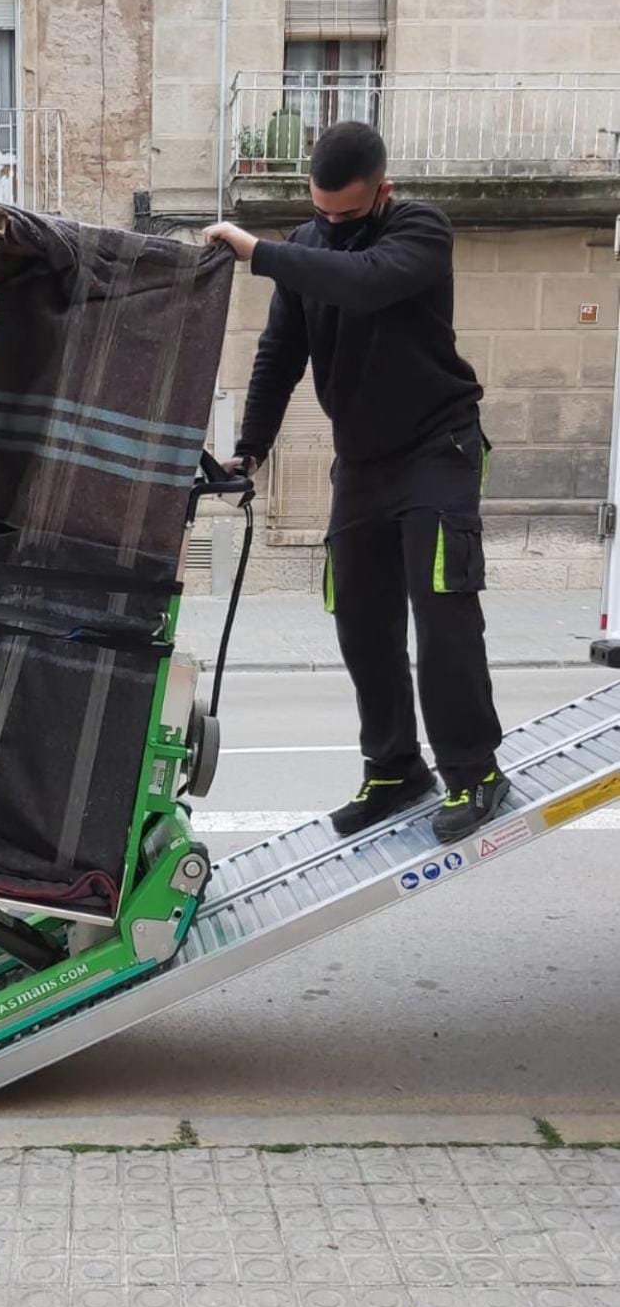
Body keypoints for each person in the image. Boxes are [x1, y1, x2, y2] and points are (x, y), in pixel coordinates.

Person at [204, 120, 508, 845]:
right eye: (322, 213)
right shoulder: (308, 246)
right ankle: (396, 769)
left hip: (439, 446)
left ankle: (475, 771)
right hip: (364, 463)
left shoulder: (421, 231)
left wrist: (259, 252)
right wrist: (250, 449)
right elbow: (280, 354)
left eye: (348, 215)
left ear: (384, 192)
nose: (333, 229)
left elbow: (366, 285)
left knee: (442, 615)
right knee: (361, 624)